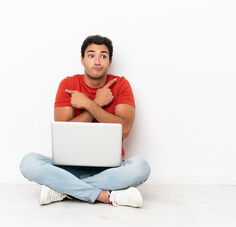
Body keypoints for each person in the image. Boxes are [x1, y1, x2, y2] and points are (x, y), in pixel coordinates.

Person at [20, 35, 150, 208]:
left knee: (141, 167)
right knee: (29, 162)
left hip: (111, 169)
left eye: (103, 56)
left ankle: (64, 190)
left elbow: (125, 129)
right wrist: (97, 103)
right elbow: (63, 132)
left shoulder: (121, 84)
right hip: (70, 166)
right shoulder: (68, 83)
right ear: (82, 59)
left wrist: (89, 104)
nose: (97, 61)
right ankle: (105, 195)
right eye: (91, 55)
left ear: (110, 61)